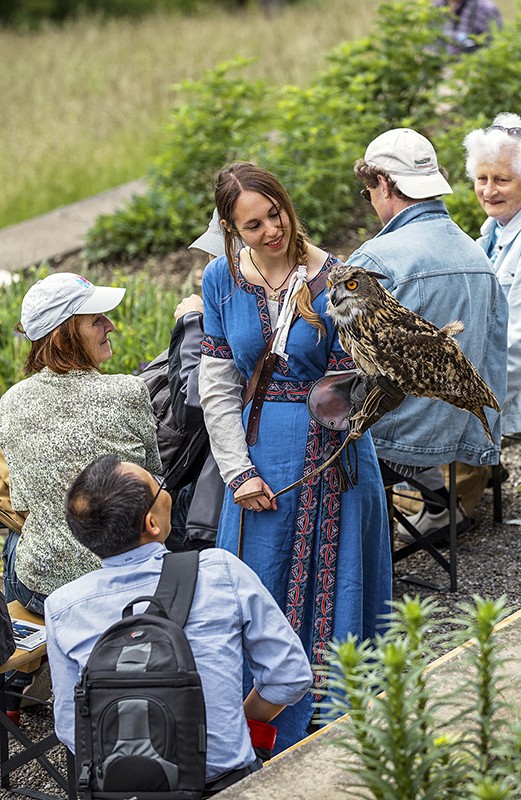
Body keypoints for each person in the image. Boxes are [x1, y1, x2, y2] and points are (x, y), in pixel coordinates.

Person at [198, 162, 392, 753]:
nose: (270, 231)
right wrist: (237, 469)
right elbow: (218, 381)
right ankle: (251, 725)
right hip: (258, 458)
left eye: (274, 214)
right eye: (252, 225)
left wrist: (357, 388)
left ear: (287, 204)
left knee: (335, 580)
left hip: (332, 457)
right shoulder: (221, 279)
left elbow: (364, 379)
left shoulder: (340, 278)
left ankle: (335, 718)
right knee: (261, 583)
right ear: (233, 230)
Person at [45, 455, 313, 790]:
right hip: (225, 782)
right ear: (152, 524)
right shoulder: (220, 571)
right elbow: (290, 677)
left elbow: (71, 727)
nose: (165, 488)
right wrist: (231, 727)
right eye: (159, 486)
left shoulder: (63, 607)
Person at [348, 128, 508, 538]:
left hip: (396, 441)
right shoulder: (477, 254)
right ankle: (438, 503)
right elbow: (491, 356)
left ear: (382, 183)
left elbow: (342, 358)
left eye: (369, 193)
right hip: (462, 433)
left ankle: (344, 557)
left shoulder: (375, 261)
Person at [0, 272, 161, 614]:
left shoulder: (10, 402)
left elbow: (24, 504)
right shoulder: (128, 392)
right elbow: (150, 483)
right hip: (123, 585)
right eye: (97, 321)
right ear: (61, 338)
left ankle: (22, 658)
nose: (111, 326)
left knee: (17, 537)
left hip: (42, 592)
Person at [464, 113, 521, 439]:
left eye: (502, 180)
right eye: (482, 178)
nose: (489, 191)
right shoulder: (494, 229)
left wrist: (479, 402)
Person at [166, 209, 228, 551]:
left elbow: (192, 405)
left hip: (219, 507)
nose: (204, 270)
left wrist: (191, 323)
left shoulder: (239, 309)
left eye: (212, 258)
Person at [433, 0, 502, 55]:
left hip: (468, 68)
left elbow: (495, 46)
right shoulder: (436, 5)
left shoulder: (485, 7)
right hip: (436, 66)